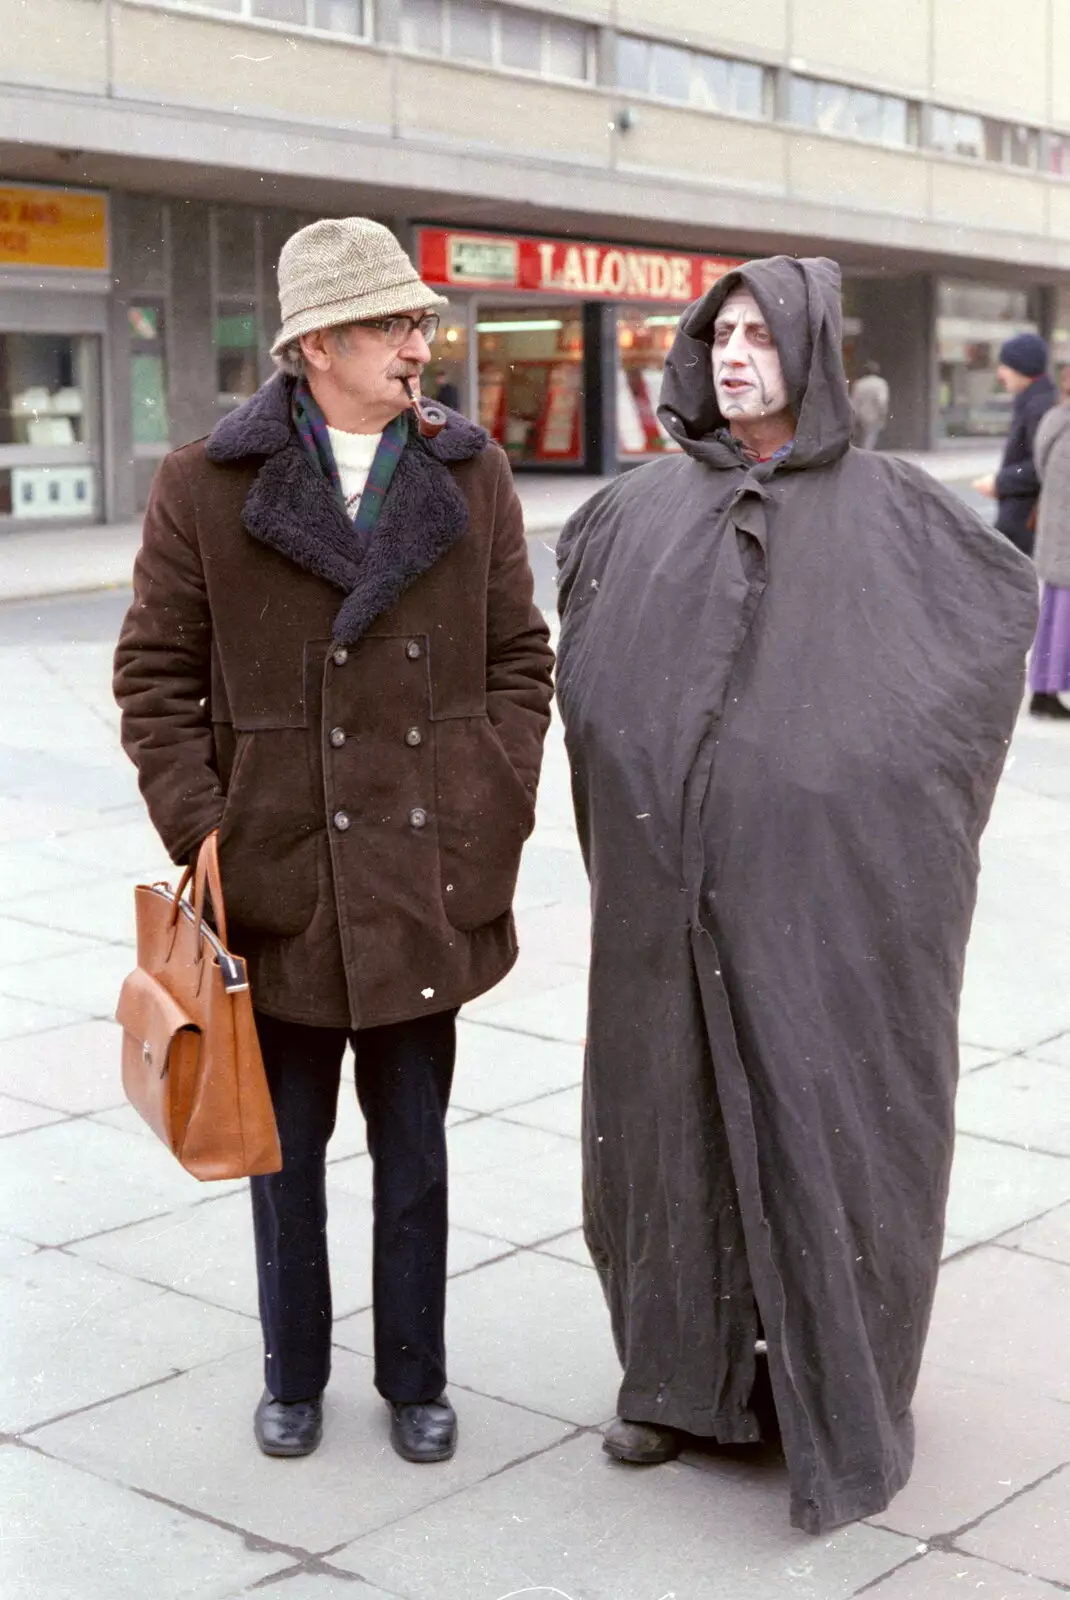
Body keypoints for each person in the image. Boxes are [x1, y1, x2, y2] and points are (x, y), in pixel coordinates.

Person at [555, 256, 1037, 1534]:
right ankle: (672, 1378)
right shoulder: (635, 512)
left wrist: (844, 785)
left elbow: (973, 663)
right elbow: (591, 680)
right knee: (665, 1119)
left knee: (828, 1113)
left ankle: (832, 1383)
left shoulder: (904, 517)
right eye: (719, 333)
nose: (731, 355)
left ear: (813, 351)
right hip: (661, 903)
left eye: (762, 337)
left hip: (828, 907)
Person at [114, 218, 553, 1466]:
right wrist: (216, 831)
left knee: (414, 1149)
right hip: (280, 878)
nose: (422, 343)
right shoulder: (205, 482)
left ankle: (416, 1375)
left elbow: (520, 658)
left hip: (426, 869)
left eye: (422, 322)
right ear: (316, 345)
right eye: (393, 324)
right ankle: (292, 1373)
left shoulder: (467, 472)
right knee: (282, 1153)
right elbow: (153, 677)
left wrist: (490, 793)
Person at [973, 332, 1057, 556]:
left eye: (1006, 366)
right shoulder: (1034, 402)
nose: (1000, 373)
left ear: (1023, 368)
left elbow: (1042, 466)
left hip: (1026, 527)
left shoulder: (1039, 407)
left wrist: (999, 482)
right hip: (1023, 525)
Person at [1028, 363, 1070, 718]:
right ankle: (1047, 691)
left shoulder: (1055, 420)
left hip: (1058, 537)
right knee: (1063, 616)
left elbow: (1041, 465)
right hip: (1066, 541)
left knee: (1056, 615)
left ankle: (1044, 688)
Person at [849, 357, 889, 450]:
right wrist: (883, 415)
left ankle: (863, 455)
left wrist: (854, 415)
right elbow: (882, 401)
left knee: (862, 439)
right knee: (870, 438)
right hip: (874, 415)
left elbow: (854, 401)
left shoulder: (859, 383)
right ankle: (867, 455)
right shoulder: (880, 383)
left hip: (861, 415)